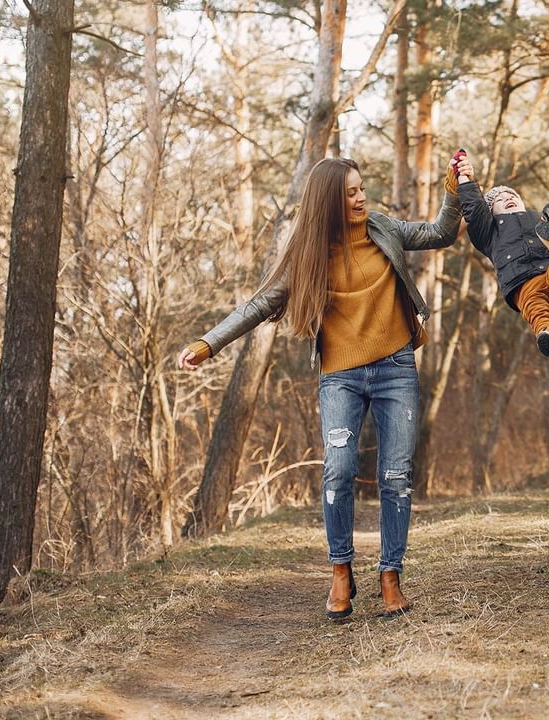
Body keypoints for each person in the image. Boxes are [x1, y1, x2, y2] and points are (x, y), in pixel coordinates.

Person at [177, 156, 462, 620]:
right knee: (339, 470)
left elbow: (440, 234)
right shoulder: (309, 253)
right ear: (329, 199)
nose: (360, 198)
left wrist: (454, 189)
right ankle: (340, 571)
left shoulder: (383, 228)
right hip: (340, 377)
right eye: (350, 192)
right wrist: (208, 343)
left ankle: (390, 576)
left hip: (396, 367)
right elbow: (261, 303)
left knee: (395, 476)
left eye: (362, 189)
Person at [450, 150, 549, 363]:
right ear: (491, 213)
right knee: (537, 311)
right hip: (523, 284)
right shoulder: (489, 234)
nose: (508, 198)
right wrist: (464, 177)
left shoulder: (538, 220)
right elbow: (474, 207)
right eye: (499, 200)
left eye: (512, 196)